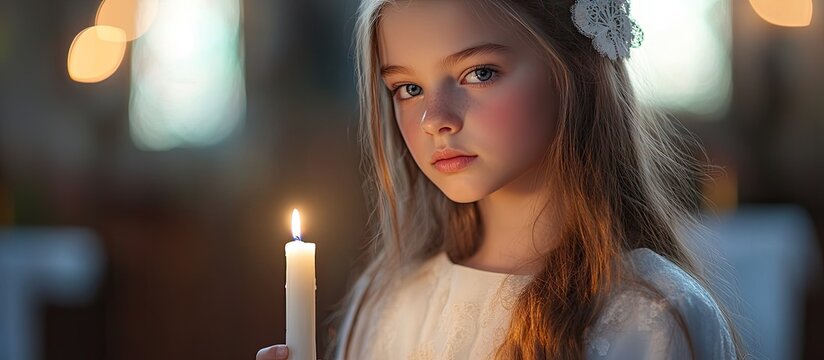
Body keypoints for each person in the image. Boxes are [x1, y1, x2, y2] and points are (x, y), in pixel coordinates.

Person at [259, 0, 743, 358]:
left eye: (480, 73)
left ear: (574, 69)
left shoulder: (648, 318)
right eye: (408, 88)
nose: (434, 119)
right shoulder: (387, 301)